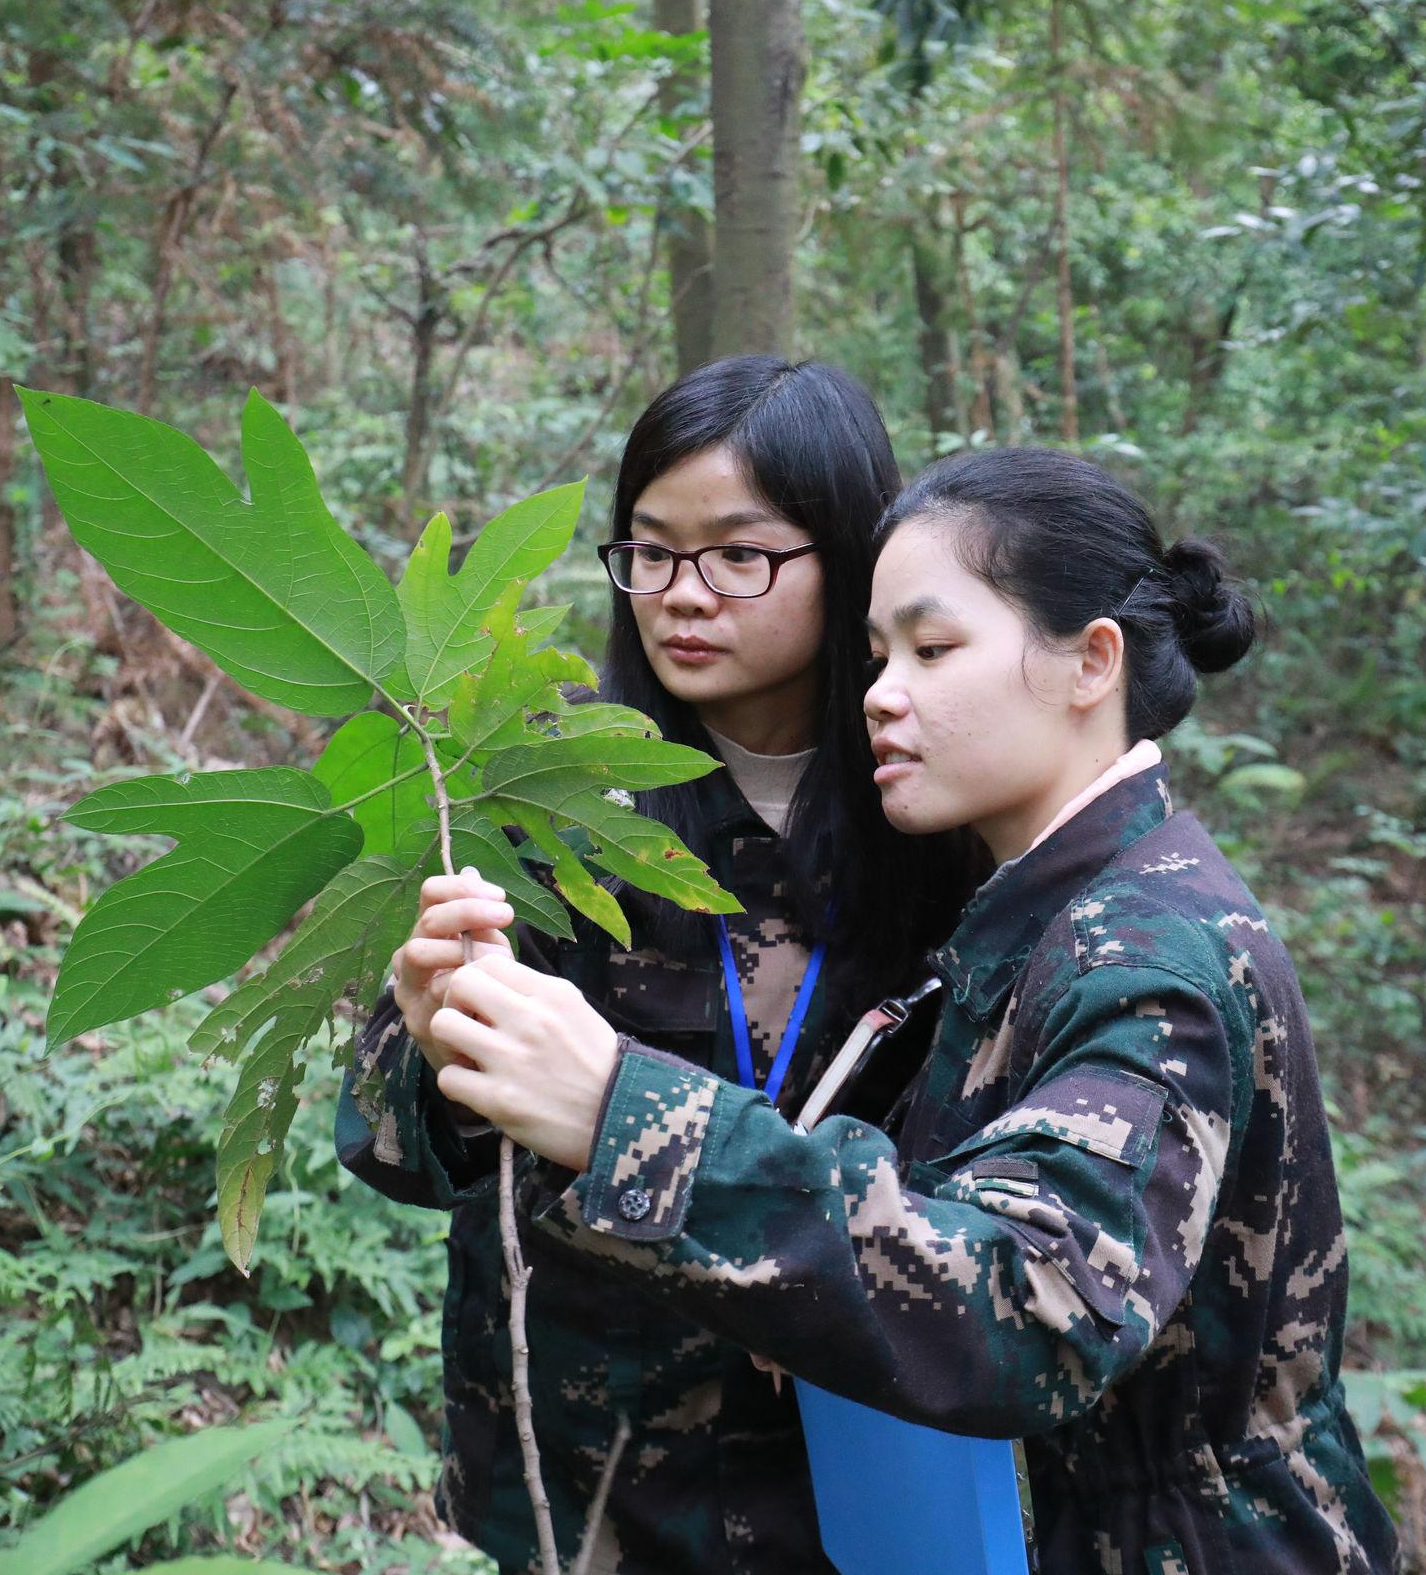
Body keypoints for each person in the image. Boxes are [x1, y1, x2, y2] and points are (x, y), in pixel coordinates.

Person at [420, 448, 1403, 1574]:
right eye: (878, 653)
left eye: (933, 651)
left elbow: (1034, 1307)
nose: (882, 693)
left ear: (1090, 663)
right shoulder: (1034, 914)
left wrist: (622, 1113)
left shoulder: (1144, 954)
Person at [333, 356, 981, 1574]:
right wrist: (427, 1055)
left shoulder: (946, 821)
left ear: (849, 557)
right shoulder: (544, 798)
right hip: (588, 1481)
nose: (683, 595)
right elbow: (386, 1152)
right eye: (649, 550)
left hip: (852, 1479)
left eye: (741, 556)